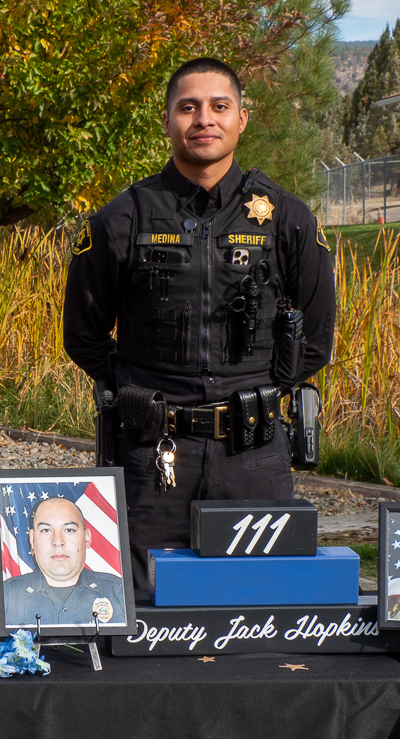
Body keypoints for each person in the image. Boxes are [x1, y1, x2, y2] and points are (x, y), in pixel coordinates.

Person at [63, 58, 335, 588]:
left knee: (257, 603)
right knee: (143, 605)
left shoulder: (287, 218)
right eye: (188, 107)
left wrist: (261, 392)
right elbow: (83, 334)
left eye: (219, 106)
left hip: (253, 452)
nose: (204, 119)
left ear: (241, 119)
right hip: (151, 454)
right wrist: (138, 391)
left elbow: (316, 339)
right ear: (167, 120)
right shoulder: (123, 218)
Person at [3, 497, 125, 626]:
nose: (58, 541)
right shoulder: (6, 596)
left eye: (69, 530)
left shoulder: (118, 592)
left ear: (87, 538)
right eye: (46, 530)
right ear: (32, 539)